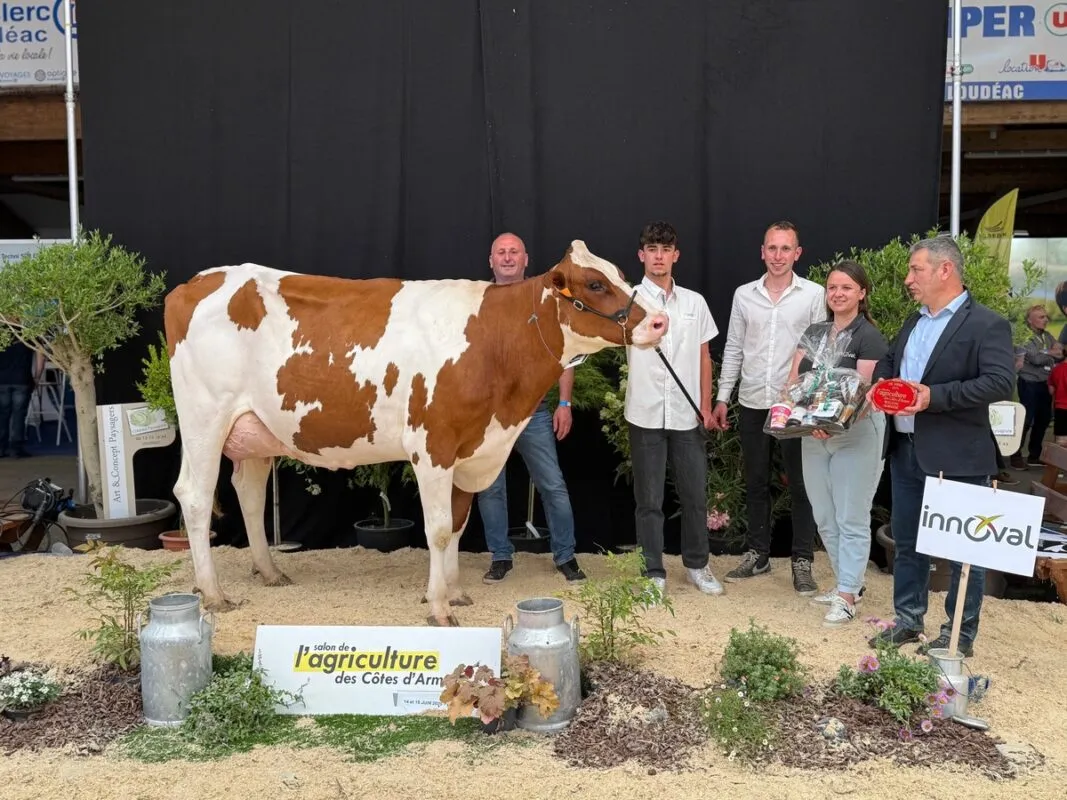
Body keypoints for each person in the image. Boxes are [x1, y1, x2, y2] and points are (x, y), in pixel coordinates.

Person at [868, 234, 1014, 656]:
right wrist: (882, 378)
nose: (908, 278)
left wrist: (935, 396)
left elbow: (1000, 381)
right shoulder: (915, 321)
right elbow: (892, 362)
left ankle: (958, 636)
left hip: (959, 454)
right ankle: (909, 621)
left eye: (916, 270)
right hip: (906, 449)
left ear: (945, 270)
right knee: (908, 541)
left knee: (962, 552)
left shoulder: (987, 323)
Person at [712, 221, 825, 595]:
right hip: (753, 401)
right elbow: (733, 347)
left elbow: (820, 350)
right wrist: (722, 397)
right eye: (772, 249)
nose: (778, 256)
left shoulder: (813, 295)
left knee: (801, 485)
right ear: (762, 252)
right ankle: (757, 554)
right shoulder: (745, 295)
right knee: (756, 482)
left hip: (794, 405)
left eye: (785, 249)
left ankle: (802, 561)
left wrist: (811, 400)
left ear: (798, 253)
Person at [476, 232, 586, 584]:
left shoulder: (545, 301)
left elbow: (565, 355)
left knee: (552, 485)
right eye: (501, 253)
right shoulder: (477, 301)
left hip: (533, 411)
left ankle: (566, 556)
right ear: (491, 261)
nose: (507, 258)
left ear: (526, 259)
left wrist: (564, 403)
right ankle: (500, 556)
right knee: (489, 486)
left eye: (514, 252)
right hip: (489, 415)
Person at [624, 221, 722, 596]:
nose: (659, 256)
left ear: (675, 255)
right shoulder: (628, 300)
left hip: (687, 414)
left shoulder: (694, 302)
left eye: (665, 249)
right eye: (652, 249)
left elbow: (704, 356)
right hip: (644, 411)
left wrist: (706, 406)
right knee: (648, 499)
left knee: (695, 495)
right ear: (642, 255)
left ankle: (697, 565)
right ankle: (653, 571)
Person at [788, 260, 887, 626]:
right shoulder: (815, 332)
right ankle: (848, 581)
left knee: (851, 516)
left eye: (846, 288)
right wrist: (803, 417)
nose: (838, 294)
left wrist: (832, 422)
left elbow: (864, 395)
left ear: (861, 293)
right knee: (824, 516)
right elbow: (793, 381)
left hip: (855, 435)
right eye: (832, 287)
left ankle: (847, 594)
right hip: (813, 435)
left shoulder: (869, 336)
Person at [1010, 304, 1061, 469]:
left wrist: (1045, 353)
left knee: (1043, 420)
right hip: (1029, 383)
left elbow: (1061, 354)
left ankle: (1034, 455)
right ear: (1030, 321)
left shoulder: (1047, 336)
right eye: (1041, 317)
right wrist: (1049, 353)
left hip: (1045, 383)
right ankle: (1016, 456)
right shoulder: (1024, 337)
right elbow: (1035, 359)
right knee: (1026, 420)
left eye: (1046, 317)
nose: (1046, 320)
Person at [0, 338, 44, 458]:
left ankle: (1, 448)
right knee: (19, 415)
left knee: (2, 414)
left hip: (2, 380)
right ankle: (15, 449)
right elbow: (41, 354)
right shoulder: (27, 333)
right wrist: (37, 376)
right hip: (22, 379)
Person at [1049, 355, 1067, 448]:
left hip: (1059, 408)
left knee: (1060, 442)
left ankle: (1060, 462)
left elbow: (1051, 391)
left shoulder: (1056, 369)